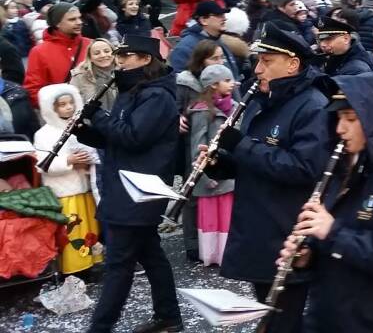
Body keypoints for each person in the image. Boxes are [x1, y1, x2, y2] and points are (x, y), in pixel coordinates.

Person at [277, 68, 373, 332]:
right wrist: (308, 256)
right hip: (330, 316)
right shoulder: (346, 167)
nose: (340, 128)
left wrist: (330, 232)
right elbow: (342, 242)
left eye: (350, 118)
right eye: (339, 117)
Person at [201, 25, 330, 333]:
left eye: (266, 61)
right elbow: (253, 161)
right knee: (273, 320)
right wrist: (219, 162)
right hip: (259, 231)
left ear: (292, 64)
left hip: (286, 234)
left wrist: (241, 145)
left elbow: (302, 168)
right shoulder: (263, 100)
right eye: (258, 61)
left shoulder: (312, 105)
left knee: (284, 324)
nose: (257, 69)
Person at [74, 36, 182, 333]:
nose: (119, 62)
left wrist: (99, 115)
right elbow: (119, 138)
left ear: (146, 59)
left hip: (138, 189)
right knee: (150, 253)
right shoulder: (133, 89)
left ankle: (100, 327)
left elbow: (134, 136)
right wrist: (88, 132)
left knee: (118, 263)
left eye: (126, 57)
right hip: (126, 184)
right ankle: (169, 316)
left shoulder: (157, 96)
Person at [34, 83, 103, 275]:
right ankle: (75, 269)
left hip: (84, 188)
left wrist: (89, 162)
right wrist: (69, 161)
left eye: (71, 103)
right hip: (65, 193)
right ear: (51, 108)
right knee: (73, 230)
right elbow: (43, 165)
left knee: (88, 229)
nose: (69, 108)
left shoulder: (80, 127)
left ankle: (90, 263)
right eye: (62, 105)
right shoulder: (44, 134)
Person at [187, 64, 237, 267]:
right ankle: (213, 254)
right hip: (211, 172)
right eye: (227, 80)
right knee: (212, 216)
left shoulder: (233, 106)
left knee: (227, 214)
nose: (231, 84)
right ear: (214, 85)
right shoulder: (203, 110)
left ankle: (228, 253)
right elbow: (197, 144)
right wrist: (205, 175)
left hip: (228, 171)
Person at [24, 2, 91, 107]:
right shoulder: (39, 52)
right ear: (57, 23)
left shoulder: (90, 44)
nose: (79, 22)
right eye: (72, 19)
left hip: (96, 112)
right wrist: (57, 109)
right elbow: (33, 90)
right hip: (64, 116)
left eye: (79, 18)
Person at [168, 0, 240, 80]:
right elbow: (181, 84)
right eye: (218, 15)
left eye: (223, 14)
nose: (224, 18)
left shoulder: (218, 41)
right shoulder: (185, 48)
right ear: (203, 20)